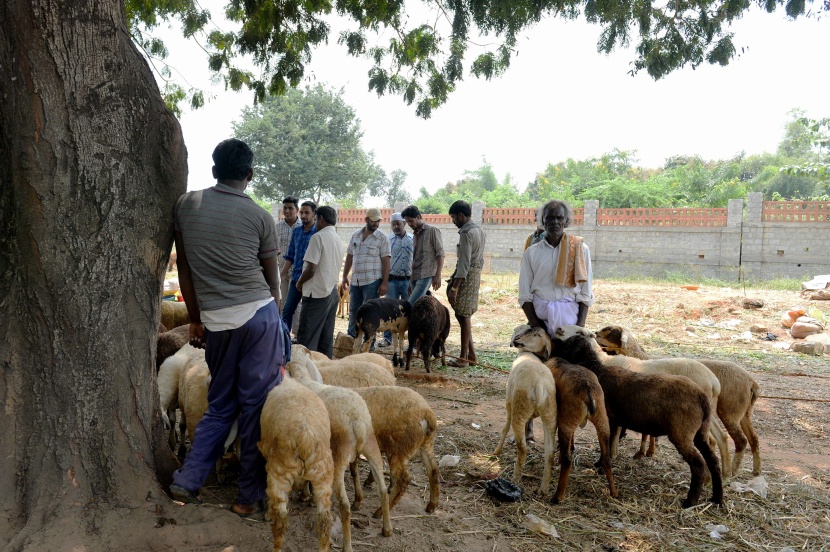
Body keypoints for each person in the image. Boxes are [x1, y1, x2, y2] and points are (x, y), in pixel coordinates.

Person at [169, 138, 288, 517]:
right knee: (255, 406)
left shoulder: (186, 206)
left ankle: (187, 481)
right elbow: (272, 282)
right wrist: (279, 322)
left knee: (220, 404)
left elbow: (184, 269)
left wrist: (194, 319)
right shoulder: (259, 217)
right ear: (249, 176)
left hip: (216, 323)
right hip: (259, 318)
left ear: (214, 170)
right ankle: (246, 496)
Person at [518, 199, 593, 336]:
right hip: (540, 320)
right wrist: (538, 327)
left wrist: (578, 328)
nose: (555, 222)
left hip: (571, 320)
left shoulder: (580, 249)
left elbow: (586, 293)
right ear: (542, 220)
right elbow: (524, 295)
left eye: (559, 218)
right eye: (550, 218)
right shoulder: (531, 252)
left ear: (566, 221)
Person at [296, 206, 345, 357]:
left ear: (322, 218)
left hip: (316, 293)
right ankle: (324, 370)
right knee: (325, 338)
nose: (315, 222)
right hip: (331, 293)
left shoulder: (318, 237)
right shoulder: (337, 238)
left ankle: (306, 372)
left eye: (316, 219)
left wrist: (299, 283)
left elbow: (311, 268)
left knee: (307, 337)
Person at [341, 208, 391, 341]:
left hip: (372, 281)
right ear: (366, 220)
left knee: (370, 313)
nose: (376, 224)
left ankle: (369, 342)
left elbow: (386, 261)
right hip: (355, 280)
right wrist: (345, 275)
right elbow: (350, 256)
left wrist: (384, 283)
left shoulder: (382, 238)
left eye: (378, 221)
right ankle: (351, 339)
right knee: (353, 311)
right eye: (373, 221)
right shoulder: (355, 235)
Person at [446, 200, 486, 368]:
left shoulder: (466, 233)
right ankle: (471, 356)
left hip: (466, 276)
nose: (453, 221)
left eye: (454, 218)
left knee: (464, 316)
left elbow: (464, 263)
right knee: (461, 314)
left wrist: (455, 287)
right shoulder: (479, 230)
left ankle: (463, 358)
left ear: (461, 216)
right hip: (474, 273)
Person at [280, 200, 317, 334]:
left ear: (314, 215)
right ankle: (284, 340)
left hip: (312, 280)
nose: (303, 215)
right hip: (296, 279)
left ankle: (302, 341)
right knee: (287, 310)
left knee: (306, 314)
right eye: (302, 212)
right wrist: (282, 273)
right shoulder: (296, 232)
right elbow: (290, 256)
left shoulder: (317, 233)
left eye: (307, 213)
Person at [378, 212, 413, 347]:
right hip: (391, 281)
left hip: (407, 281)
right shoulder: (387, 240)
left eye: (398, 224)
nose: (396, 227)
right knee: (389, 309)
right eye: (393, 224)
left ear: (404, 224)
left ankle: (410, 339)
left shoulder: (412, 239)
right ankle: (387, 338)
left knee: (408, 309)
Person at [401, 204, 444, 305]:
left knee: (411, 305)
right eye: (407, 222)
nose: (409, 224)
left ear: (418, 217)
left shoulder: (432, 230)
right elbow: (415, 257)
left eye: (411, 221)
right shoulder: (415, 234)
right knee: (420, 306)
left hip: (426, 274)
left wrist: (438, 275)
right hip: (414, 275)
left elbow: (440, 253)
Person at [276, 196, 302, 326]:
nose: (287, 211)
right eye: (285, 208)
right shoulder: (278, 227)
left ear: (297, 209)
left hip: (299, 273)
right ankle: (284, 332)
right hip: (282, 272)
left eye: (290, 208)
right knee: (283, 303)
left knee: (298, 306)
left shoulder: (303, 227)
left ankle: (297, 335)